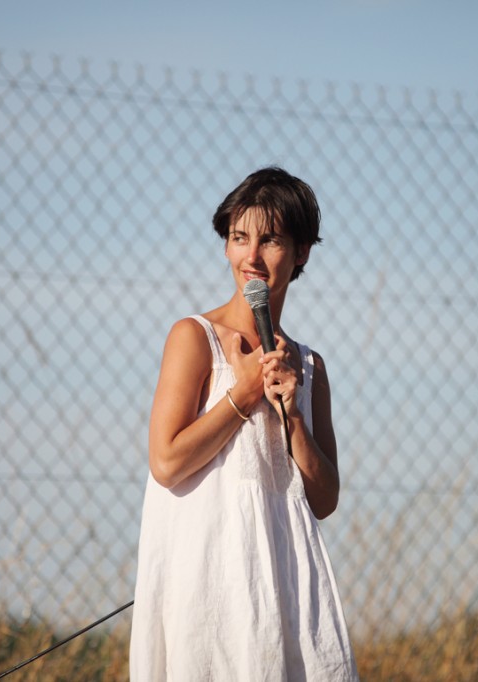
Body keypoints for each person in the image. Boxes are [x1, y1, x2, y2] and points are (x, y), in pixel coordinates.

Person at [129, 167, 358, 681]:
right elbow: (167, 462)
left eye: (270, 239)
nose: (250, 257)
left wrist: (292, 415)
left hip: (286, 586)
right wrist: (243, 392)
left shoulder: (309, 365)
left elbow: (324, 499)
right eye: (239, 237)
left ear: (301, 252)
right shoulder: (194, 337)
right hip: (208, 587)